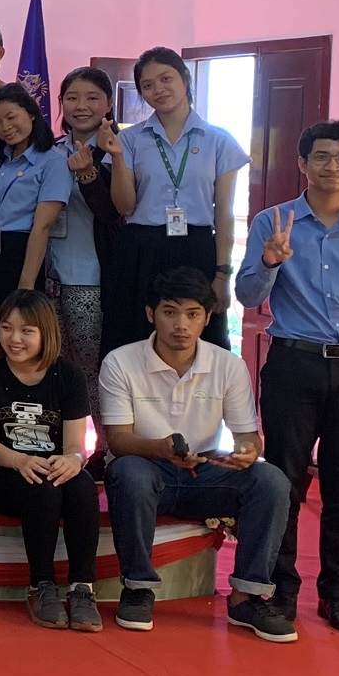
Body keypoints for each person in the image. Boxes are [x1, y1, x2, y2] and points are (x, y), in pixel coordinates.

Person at [235, 120, 339, 635]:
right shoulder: (272, 222)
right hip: (294, 365)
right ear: (302, 164)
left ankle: (337, 594)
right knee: (283, 483)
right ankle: (281, 591)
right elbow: (247, 294)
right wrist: (269, 261)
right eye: (323, 157)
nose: (334, 166)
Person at [100, 266, 292, 640]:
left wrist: (246, 453)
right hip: (148, 468)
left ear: (207, 317)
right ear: (150, 313)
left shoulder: (228, 365)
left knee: (271, 480)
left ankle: (247, 597)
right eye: (170, 312)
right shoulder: (121, 362)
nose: (181, 325)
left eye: (192, 314)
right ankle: (138, 588)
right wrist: (161, 449)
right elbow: (118, 441)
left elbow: (248, 437)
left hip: (204, 469)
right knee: (128, 472)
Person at [104, 46, 247, 353]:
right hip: (141, 249)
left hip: (196, 248)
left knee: (199, 344)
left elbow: (224, 213)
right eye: (147, 85)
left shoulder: (219, 140)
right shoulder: (128, 139)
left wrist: (222, 273)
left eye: (165, 78)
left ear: (185, 78)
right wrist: (115, 157)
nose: (158, 89)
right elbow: (125, 207)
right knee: (135, 342)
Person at [0, 290, 101, 632]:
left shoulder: (69, 376)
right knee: (43, 488)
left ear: (46, 332)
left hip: (52, 469)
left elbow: (76, 445)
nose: (15, 339)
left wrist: (74, 459)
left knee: (83, 485)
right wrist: (18, 460)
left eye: (26, 330)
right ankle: (41, 586)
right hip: (7, 471)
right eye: (7, 328)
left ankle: (82, 588)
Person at [0, 83, 71, 352]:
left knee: (13, 332)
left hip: (18, 251)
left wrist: (26, 285)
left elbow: (43, 226)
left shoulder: (53, 161)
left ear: (31, 113)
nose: (5, 127)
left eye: (12, 117)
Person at [49, 68, 123, 422]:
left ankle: (108, 444)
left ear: (108, 103)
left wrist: (88, 174)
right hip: (51, 279)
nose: (81, 106)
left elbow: (114, 212)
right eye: (72, 98)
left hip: (92, 280)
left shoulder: (119, 151)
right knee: (57, 368)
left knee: (95, 369)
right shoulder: (51, 150)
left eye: (92, 98)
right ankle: (68, 442)